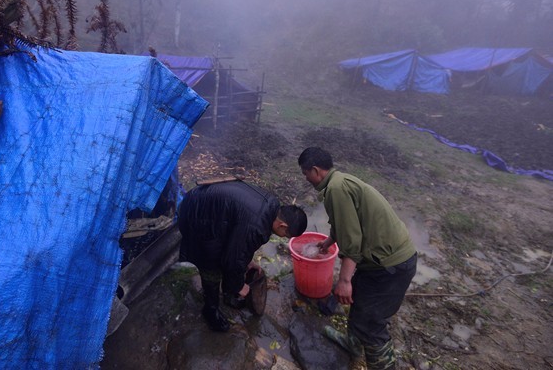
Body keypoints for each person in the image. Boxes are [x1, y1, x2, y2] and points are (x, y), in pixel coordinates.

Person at [297, 147, 417, 370]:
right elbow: (346, 224)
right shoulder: (340, 181)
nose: (306, 179)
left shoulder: (336, 189)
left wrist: (344, 281)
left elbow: (352, 242)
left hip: (390, 265)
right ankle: (353, 345)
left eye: (306, 174)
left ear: (315, 170)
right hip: (378, 261)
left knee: (371, 324)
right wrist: (328, 242)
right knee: (359, 304)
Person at [177, 179, 308, 332]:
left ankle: (228, 294)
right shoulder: (256, 225)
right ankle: (210, 310)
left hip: (209, 208)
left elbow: (240, 242)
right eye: (285, 235)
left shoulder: (272, 206)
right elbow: (233, 258)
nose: (282, 237)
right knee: (211, 262)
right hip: (196, 215)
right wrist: (239, 285)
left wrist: (248, 261)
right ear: (282, 226)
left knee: (229, 256)